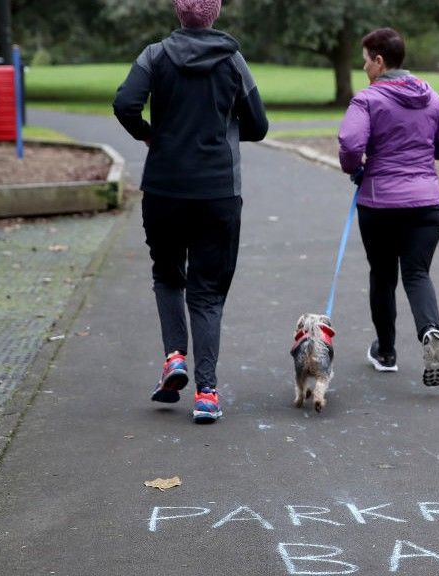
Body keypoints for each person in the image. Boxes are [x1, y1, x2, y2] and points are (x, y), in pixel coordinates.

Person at [113, 0, 268, 423]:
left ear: (179, 14)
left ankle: (174, 357)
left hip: (164, 188)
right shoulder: (232, 59)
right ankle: (208, 394)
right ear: (213, 14)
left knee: (167, 275)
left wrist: (151, 137)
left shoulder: (154, 55)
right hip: (218, 191)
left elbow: (125, 103)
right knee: (207, 293)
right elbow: (258, 125)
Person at [338, 27, 439, 387]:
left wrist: (356, 168)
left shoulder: (368, 100)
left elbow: (349, 142)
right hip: (427, 205)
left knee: (383, 275)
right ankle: (430, 332)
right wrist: (418, 151)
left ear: (379, 60)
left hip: (381, 204)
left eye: (365, 61)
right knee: (417, 274)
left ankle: (387, 352)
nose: (363, 69)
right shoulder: (433, 99)